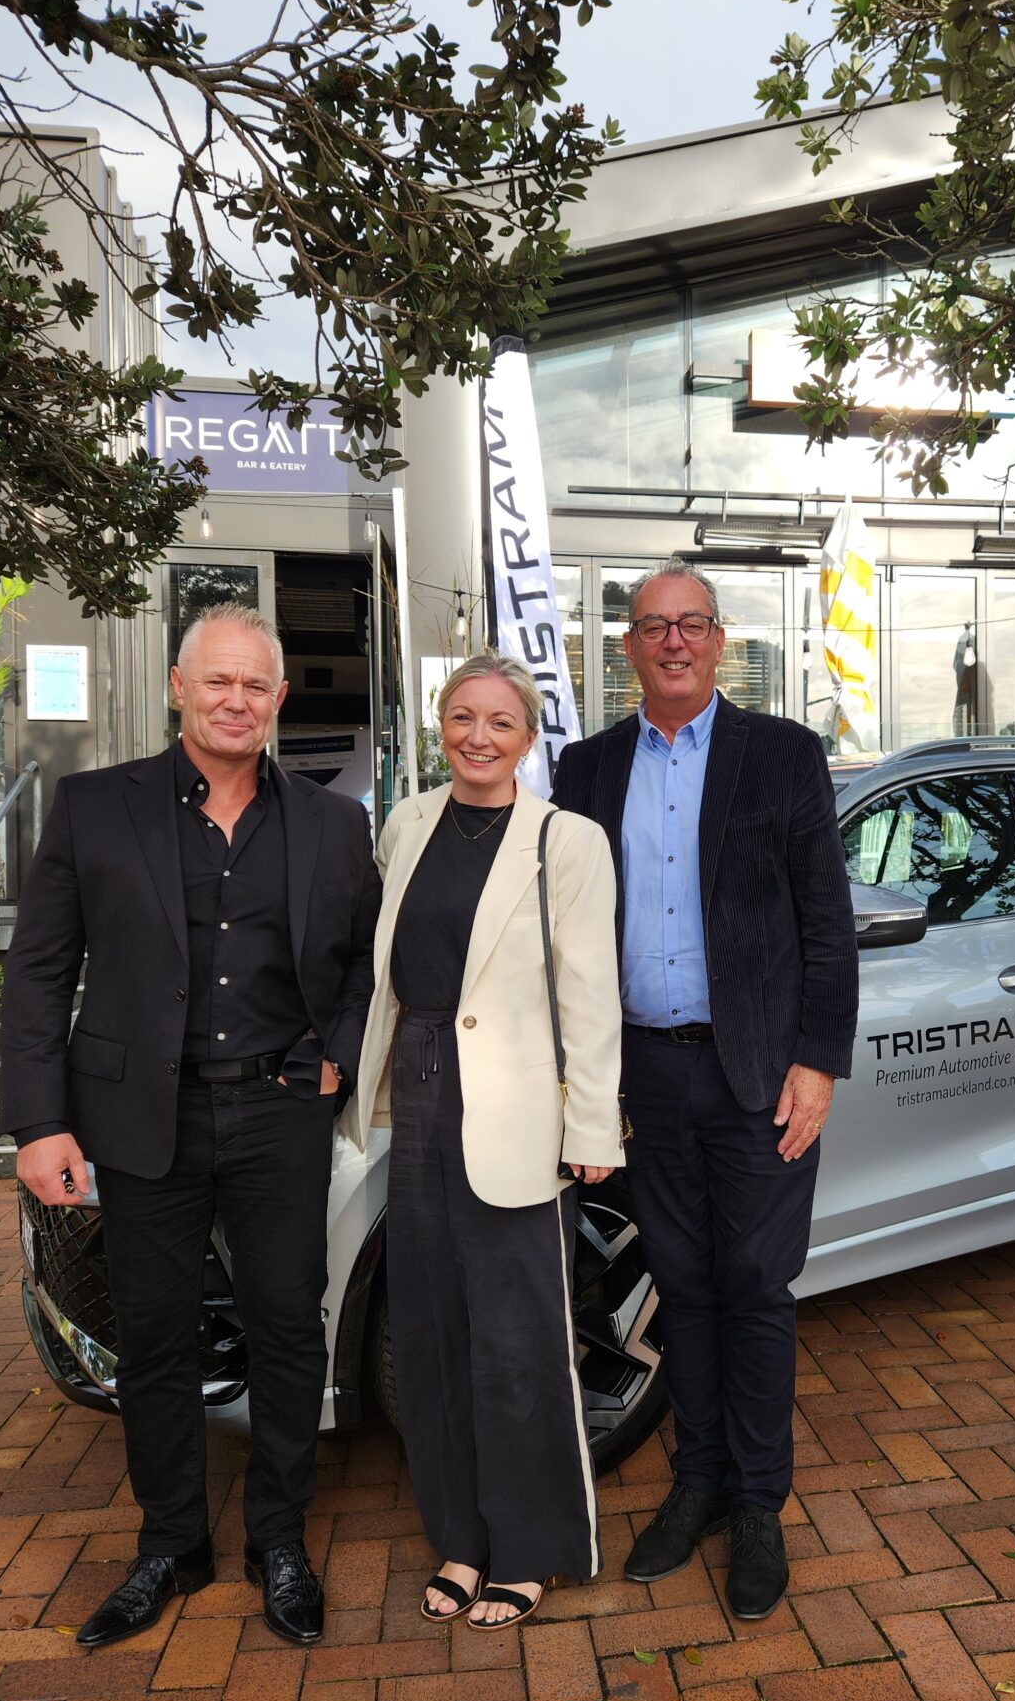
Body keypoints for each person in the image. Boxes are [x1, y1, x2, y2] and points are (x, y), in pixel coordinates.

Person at [0, 605, 381, 1649]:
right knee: (155, 1336)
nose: (235, 701)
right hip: (136, 1116)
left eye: (255, 686)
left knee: (287, 1327)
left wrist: (337, 1050)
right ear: (178, 686)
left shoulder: (330, 823)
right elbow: (38, 973)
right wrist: (38, 1121)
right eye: (217, 682)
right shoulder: (92, 808)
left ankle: (278, 1539)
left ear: (278, 701)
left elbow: (359, 960)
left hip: (278, 1108)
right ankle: (170, 1544)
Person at [554, 562, 858, 1620]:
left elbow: (825, 923)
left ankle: (758, 1502)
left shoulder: (781, 755)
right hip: (645, 1069)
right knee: (678, 1284)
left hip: (760, 1073)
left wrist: (818, 1062)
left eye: (689, 625)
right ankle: (698, 1483)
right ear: (627, 648)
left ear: (719, 641)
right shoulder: (585, 769)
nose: (671, 641)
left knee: (755, 1285)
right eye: (650, 627)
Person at [344, 652, 622, 1630]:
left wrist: (592, 1124)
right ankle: (462, 1538)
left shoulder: (566, 842)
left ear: (527, 735)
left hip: (515, 1111)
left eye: (498, 722)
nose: (476, 737)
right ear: (438, 723)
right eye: (460, 717)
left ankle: (533, 1548)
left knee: (518, 1342)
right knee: (428, 1334)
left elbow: (589, 997)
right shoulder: (406, 825)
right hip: (416, 1095)